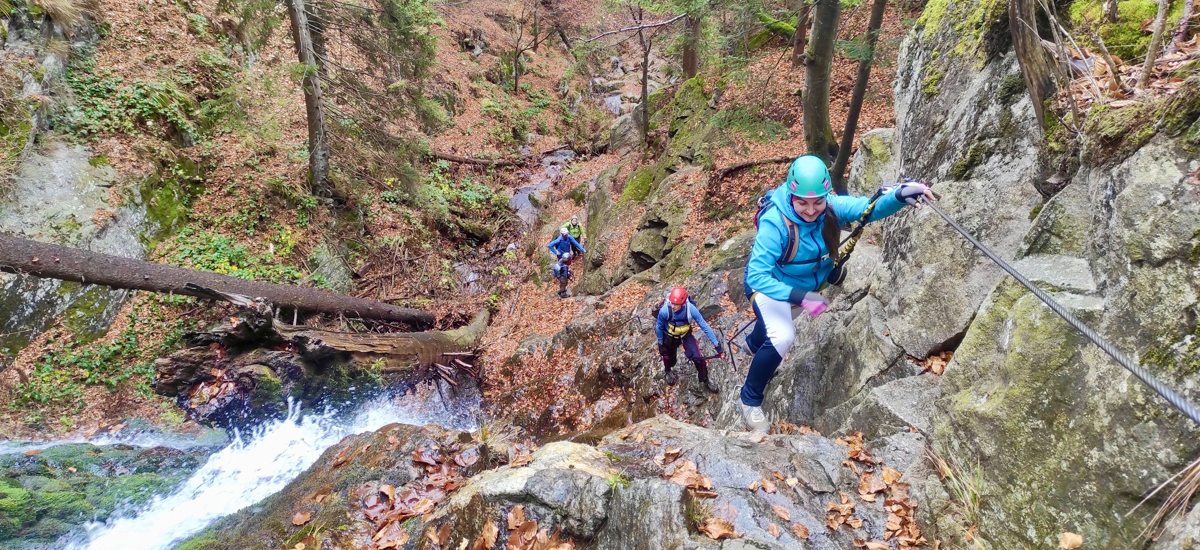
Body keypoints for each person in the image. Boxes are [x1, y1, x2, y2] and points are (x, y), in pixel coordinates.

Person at [738, 155, 934, 433]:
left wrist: (900, 196)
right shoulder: (775, 223)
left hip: (805, 287)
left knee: (776, 322)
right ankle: (749, 400)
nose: (810, 210)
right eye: (802, 202)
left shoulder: (831, 207)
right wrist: (801, 297)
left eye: (817, 201)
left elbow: (868, 208)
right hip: (770, 286)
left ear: (826, 194)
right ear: (791, 194)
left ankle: (752, 343)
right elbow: (757, 276)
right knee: (782, 334)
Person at [655, 287, 724, 393]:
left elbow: (704, 325)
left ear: (682, 304)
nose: (672, 306)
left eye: (675, 304)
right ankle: (668, 370)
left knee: (698, 358)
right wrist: (660, 343)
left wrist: (716, 344)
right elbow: (659, 326)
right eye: (672, 303)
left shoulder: (690, 309)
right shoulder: (665, 310)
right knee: (669, 357)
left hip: (685, 335)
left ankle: (705, 379)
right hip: (669, 336)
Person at [547, 227, 585, 297]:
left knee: (566, 266)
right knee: (563, 269)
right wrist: (556, 252)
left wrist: (582, 249)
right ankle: (562, 289)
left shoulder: (569, 237)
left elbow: (575, 243)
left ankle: (564, 281)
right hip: (561, 255)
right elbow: (550, 245)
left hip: (567, 255)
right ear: (562, 234)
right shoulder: (559, 240)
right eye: (565, 234)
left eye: (567, 234)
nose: (566, 235)